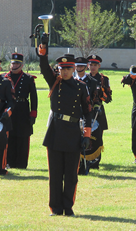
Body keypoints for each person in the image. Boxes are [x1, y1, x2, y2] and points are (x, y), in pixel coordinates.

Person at [37, 44, 92, 216]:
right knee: (55, 174)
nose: (65, 72)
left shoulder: (81, 87)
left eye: (68, 68)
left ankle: (68, 207)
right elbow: (44, 67)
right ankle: (56, 207)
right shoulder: (54, 82)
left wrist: (87, 134)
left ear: (73, 68)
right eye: (62, 68)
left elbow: (88, 112)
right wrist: (43, 52)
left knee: (71, 175)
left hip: (73, 133)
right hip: (55, 131)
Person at [3, 53, 38, 169]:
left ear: (22, 65)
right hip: (8, 109)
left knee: (23, 137)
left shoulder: (28, 79)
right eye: (13, 63)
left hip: (22, 109)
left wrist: (33, 114)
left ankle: (21, 164)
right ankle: (9, 162)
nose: (14, 65)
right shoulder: (4, 77)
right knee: (9, 136)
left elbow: (34, 97)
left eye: (17, 63)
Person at [74, 56, 101, 174]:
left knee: (86, 140)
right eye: (77, 66)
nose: (79, 68)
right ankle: (75, 164)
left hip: (86, 114)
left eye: (81, 66)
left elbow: (95, 98)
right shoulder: (70, 79)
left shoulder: (93, 81)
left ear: (86, 67)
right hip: (73, 114)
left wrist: (95, 108)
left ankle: (86, 164)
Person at [86, 54, 112, 169]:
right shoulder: (84, 78)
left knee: (97, 137)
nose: (93, 67)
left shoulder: (103, 79)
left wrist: (102, 94)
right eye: (91, 64)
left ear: (99, 66)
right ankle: (84, 159)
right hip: (86, 110)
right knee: (85, 134)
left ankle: (95, 161)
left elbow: (108, 99)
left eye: (95, 65)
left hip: (98, 111)